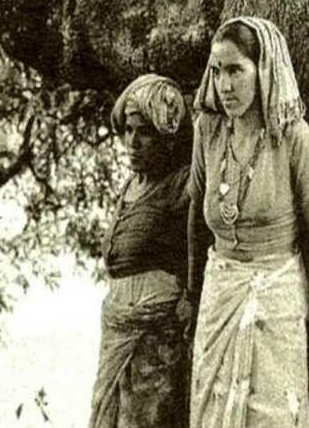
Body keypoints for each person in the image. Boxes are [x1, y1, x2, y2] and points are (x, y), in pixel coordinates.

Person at [186, 16, 309, 427]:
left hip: (276, 295)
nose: (225, 85)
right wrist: (191, 290)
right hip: (219, 296)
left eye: (236, 70)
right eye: (217, 71)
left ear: (263, 69)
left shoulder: (292, 137)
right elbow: (195, 217)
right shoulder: (208, 130)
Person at [88, 74, 192, 428]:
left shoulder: (182, 184)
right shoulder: (132, 185)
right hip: (118, 328)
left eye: (144, 132)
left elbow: (201, 244)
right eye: (128, 130)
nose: (132, 142)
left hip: (156, 338)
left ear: (166, 138)